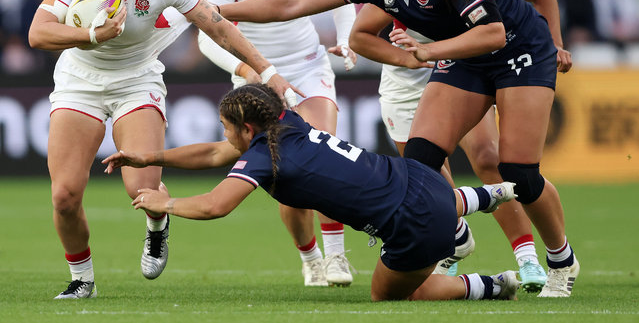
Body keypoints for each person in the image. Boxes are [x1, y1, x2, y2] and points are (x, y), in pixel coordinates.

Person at [215, 0, 580, 298]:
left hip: (520, 51)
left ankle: (561, 261)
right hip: (465, 58)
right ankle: (450, 241)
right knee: (421, 163)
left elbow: (493, 32)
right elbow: (294, 2)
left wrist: (429, 51)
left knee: (518, 173)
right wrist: (212, 10)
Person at [27, 0, 296, 300]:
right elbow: (37, 34)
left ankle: (157, 224)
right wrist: (93, 37)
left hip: (137, 80)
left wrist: (268, 70)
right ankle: (83, 280)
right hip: (80, 81)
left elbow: (218, 26)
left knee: (142, 190)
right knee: (64, 195)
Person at [348, 0, 572, 292]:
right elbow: (361, 32)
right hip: (409, 75)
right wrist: (406, 55)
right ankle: (451, 238)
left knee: (505, 166)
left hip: (480, 58)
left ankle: (547, 257)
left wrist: (555, 43)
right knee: (419, 167)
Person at [103, 83, 520, 302]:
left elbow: (215, 206)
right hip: (422, 179)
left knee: (395, 294)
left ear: (248, 130)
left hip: (415, 224)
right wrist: (148, 157)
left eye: (229, 127)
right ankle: (483, 197)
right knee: (399, 193)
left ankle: (492, 285)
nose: (224, 135)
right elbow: (215, 153)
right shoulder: (288, 120)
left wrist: (166, 202)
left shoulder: (265, 157)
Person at [197, 0, 357, 287]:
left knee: (326, 152)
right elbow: (207, 33)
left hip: (306, 67)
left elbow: (342, 0)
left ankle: (338, 255)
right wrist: (246, 70)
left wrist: (344, 40)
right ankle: (311, 259)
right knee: (287, 174)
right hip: (256, 79)